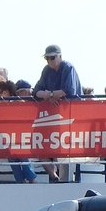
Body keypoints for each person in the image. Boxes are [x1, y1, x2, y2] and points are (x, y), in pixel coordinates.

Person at [32, 45, 83, 182]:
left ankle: (65, 179)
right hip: (52, 118)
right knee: (39, 145)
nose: (49, 61)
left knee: (65, 148)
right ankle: (54, 177)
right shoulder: (46, 70)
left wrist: (50, 94)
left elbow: (68, 91)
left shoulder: (67, 67)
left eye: (52, 57)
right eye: (46, 58)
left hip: (70, 116)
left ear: (60, 56)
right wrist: (50, 95)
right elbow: (36, 91)